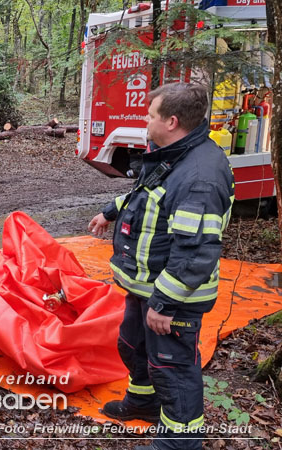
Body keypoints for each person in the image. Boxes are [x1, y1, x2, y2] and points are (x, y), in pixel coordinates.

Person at [88, 82, 234, 450]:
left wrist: (165, 304)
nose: (145, 121)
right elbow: (148, 194)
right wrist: (111, 211)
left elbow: (195, 251)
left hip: (173, 296)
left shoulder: (199, 177)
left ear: (171, 121)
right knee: (133, 346)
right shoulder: (173, 154)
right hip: (147, 287)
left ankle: (179, 442)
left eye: (150, 115)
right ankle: (144, 402)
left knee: (173, 369)